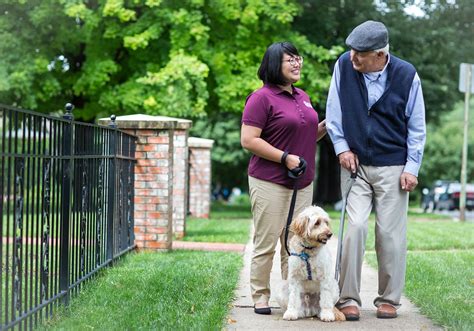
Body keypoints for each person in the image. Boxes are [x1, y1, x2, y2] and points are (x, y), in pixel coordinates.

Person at [326, 20, 426, 320]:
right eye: (352, 51)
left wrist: (412, 166)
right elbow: (334, 112)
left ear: (380, 55)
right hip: (355, 162)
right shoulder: (343, 66)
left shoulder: (407, 75)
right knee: (353, 229)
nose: (353, 58)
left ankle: (388, 300)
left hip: (394, 166)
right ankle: (347, 299)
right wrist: (341, 147)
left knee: (390, 235)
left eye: (361, 54)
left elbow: (417, 127)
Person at [241, 41, 327, 315]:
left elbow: (304, 136)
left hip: (301, 182)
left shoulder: (302, 96)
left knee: (295, 245)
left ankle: (291, 296)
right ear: (273, 65)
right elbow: (249, 140)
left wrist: (326, 127)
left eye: (298, 58)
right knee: (267, 242)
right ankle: (260, 295)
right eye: (289, 59)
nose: (297, 63)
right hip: (269, 181)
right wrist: (284, 157)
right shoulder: (261, 98)